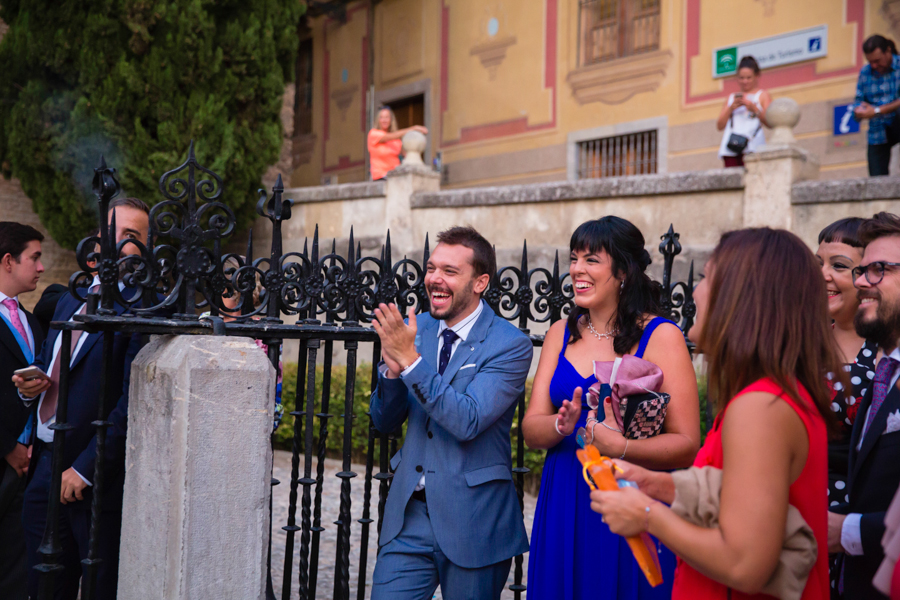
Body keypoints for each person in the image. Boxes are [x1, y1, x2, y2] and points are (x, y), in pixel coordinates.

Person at [590, 228, 834, 599]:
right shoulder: (769, 395)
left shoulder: (760, 408)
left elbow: (745, 565)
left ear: (738, 297)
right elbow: (739, 496)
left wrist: (646, 515)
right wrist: (656, 485)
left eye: (705, 277)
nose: (696, 291)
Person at [522, 216, 700, 600]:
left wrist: (618, 446)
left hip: (630, 490)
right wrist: (560, 424)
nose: (576, 270)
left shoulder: (661, 336)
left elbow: (687, 442)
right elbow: (531, 429)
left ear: (622, 271)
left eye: (591, 260)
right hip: (566, 492)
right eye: (573, 259)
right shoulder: (560, 333)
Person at [368, 226, 532, 600]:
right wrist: (393, 372)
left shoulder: (511, 345)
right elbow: (383, 422)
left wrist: (409, 361)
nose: (434, 279)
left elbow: (467, 420)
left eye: (449, 271)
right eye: (431, 268)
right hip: (409, 519)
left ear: (480, 282)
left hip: (475, 520)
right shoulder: (416, 329)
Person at [13, 197, 151, 600]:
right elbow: (49, 358)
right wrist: (30, 388)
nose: (118, 243)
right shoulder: (74, 294)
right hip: (43, 463)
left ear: (146, 246)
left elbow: (134, 401)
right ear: (96, 239)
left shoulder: (144, 307)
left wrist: (86, 468)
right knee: (43, 582)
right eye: (111, 232)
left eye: (131, 236)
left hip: (91, 476)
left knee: (96, 585)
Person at [829, 212, 900, 598]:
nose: (860, 282)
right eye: (860, 271)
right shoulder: (885, 372)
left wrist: (846, 531)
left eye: (878, 270)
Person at [815, 217, 878, 597]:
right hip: (798, 508)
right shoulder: (801, 339)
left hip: (861, 517)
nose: (822, 275)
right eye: (817, 264)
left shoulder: (886, 351)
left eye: (837, 266)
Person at [0, 222, 46, 600]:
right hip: (4, 457)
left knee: (16, 567)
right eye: (35, 257)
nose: (41, 268)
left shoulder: (32, 322)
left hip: (29, 468)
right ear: (8, 261)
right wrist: (8, 447)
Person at [853, 35, 900, 177]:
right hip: (877, 133)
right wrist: (859, 112)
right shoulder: (864, 73)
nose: (874, 65)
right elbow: (858, 102)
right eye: (870, 61)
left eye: (877, 61)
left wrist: (877, 110)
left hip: (898, 123)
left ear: (888, 51)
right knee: (876, 182)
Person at [716, 56, 770, 168]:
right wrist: (730, 108)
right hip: (731, 149)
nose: (745, 81)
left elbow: (770, 122)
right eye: (741, 78)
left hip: (753, 147)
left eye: (749, 77)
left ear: (756, 76)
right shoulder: (731, 98)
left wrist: (754, 109)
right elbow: (719, 126)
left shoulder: (763, 95)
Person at [367, 106, 428, 181]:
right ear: (378, 120)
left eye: (387, 117)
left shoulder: (396, 141)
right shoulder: (374, 134)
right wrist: (414, 128)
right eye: (381, 117)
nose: (384, 120)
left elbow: (407, 154)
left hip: (395, 176)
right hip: (380, 177)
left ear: (391, 120)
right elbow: (391, 136)